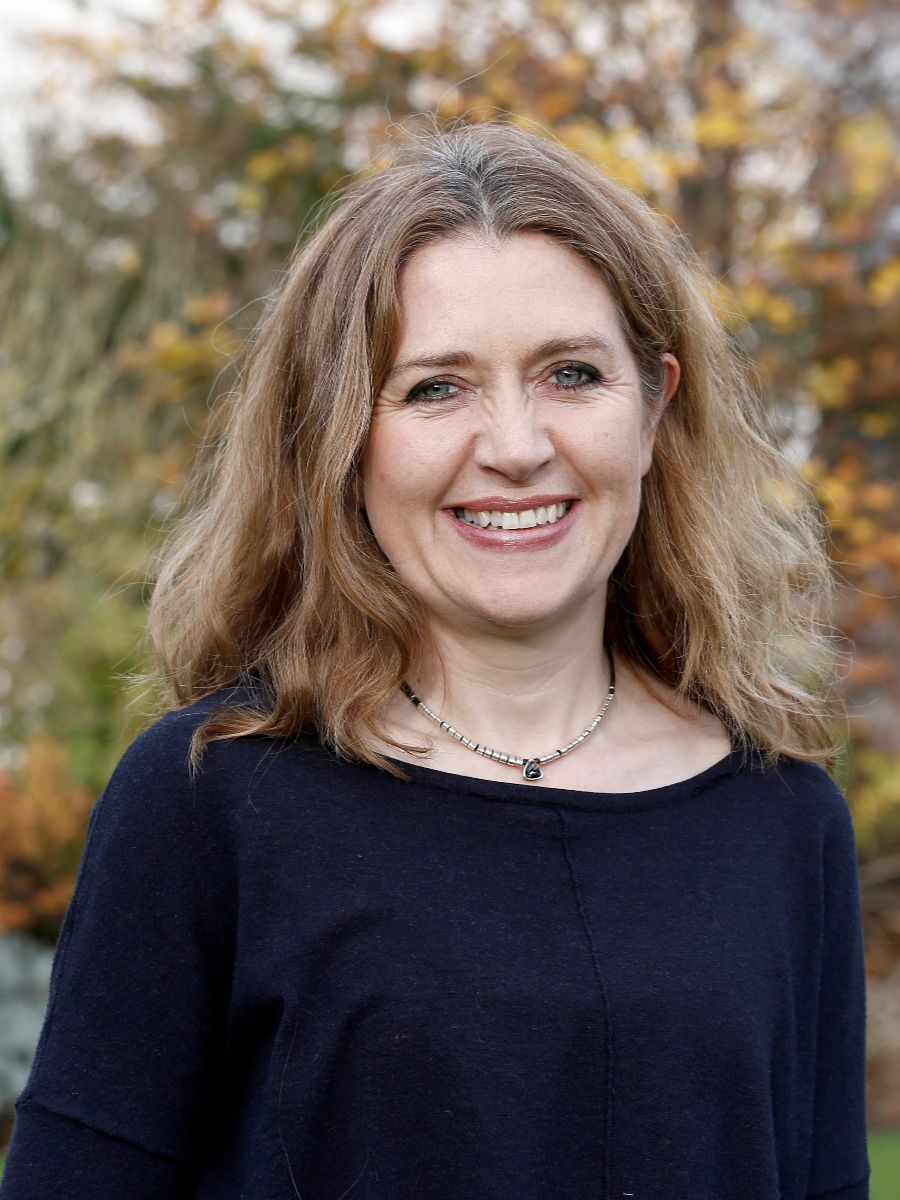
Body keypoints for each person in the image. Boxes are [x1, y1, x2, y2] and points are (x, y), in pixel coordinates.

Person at [0, 119, 869, 1200]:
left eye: (572, 373)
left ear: (654, 410)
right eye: (435, 388)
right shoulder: (213, 802)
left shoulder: (781, 818)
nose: (513, 445)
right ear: (339, 442)